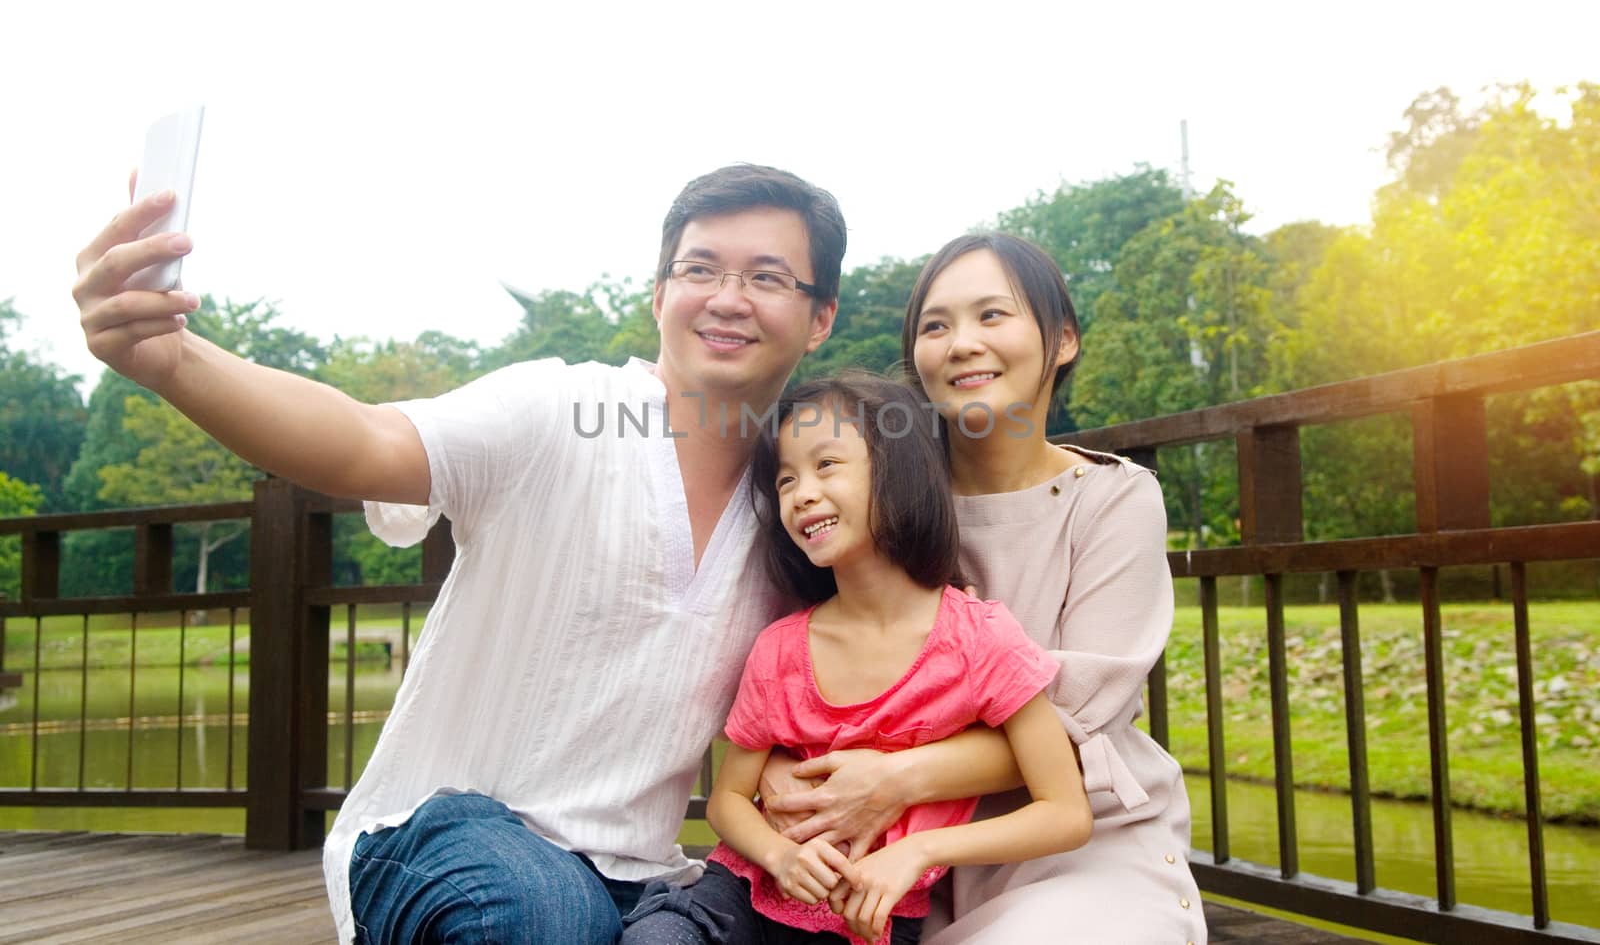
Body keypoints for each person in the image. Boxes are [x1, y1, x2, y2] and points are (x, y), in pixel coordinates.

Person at [73, 164, 855, 945]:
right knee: (543, 915)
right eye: (699, 269)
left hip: (640, 877)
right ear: (658, 296)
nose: (727, 297)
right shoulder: (558, 411)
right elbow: (364, 440)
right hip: (447, 839)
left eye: (768, 277)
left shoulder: (798, 506)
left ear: (820, 317)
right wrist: (172, 362)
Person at [622, 373, 1092, 945]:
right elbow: (728, 800)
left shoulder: (979, 640)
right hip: (739, 897)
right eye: (787, 478)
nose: (802, 493)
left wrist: (919, 852)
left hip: (868, 921)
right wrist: (779, 856)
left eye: (827, 466)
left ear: (898, 472)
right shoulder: (780, 649)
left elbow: (1066, 812)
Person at [901, 231, 1206, 942]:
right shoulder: (887, 503)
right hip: (904, 857)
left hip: (1083, 844)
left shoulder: (1112, 498)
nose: (962, 343)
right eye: (935, 326)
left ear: (1062, 339)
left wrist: (890, 776)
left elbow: (1077, 708)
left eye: (992, 315)